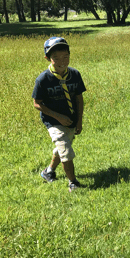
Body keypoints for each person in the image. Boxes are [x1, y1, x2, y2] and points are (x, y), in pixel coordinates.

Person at [32, 37, 86, 192]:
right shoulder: (43, 79)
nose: (62, 61)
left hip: (71, 120)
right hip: (53, 121)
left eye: (65, 57)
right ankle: (73, 182)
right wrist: (57, 117)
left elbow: (79, 98)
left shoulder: (74, 74)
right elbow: (37, 103)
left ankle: (48, 171)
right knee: (66, 151)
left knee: (61, 147)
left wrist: (79, 121)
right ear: (47, 58)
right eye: (56, 58)